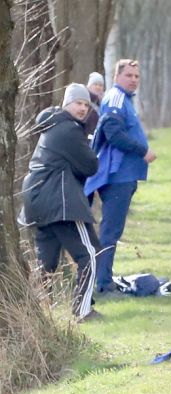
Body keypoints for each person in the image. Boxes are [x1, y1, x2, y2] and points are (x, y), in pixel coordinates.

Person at [21, 84, 100, 320]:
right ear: (67, 104)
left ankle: (39, 314)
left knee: (45, 265)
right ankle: (83, 310)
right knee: (90, 254)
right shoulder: (68, 129)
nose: (83, 108)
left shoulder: (51, 126)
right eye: (79, 103)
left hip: (36, 202)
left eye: (86, 105)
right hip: (60, 202)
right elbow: (90, 165)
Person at [86, 59, 156, 294]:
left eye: (137, 76)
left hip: (126, 176)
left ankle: (104, 278)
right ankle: (103, 284)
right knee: (110, 231)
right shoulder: (115, 98)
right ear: (116, 77)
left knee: (112, 230)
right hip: (117, 177)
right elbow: (113, 133)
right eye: (129, 75)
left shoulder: (125, 99)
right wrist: (142, 150)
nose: (134, 79)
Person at [83, 72, 104, 136]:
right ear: (89, 86)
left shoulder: (103, 102)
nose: (98, 87)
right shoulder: (84, 101)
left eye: (100, 85)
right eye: (95, 84)